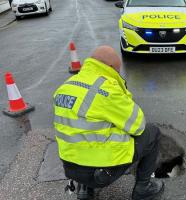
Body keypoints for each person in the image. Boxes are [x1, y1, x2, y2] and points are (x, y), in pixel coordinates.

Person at [53, 45, 164, 200]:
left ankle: (84, 189)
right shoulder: (106, 89)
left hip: (70, 168)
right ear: (110, 68)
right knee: (152, 132)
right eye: (117, 71)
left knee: (85, 135)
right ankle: (143, 188)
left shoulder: (65, 87)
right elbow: (138, 126)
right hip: (100, 173)